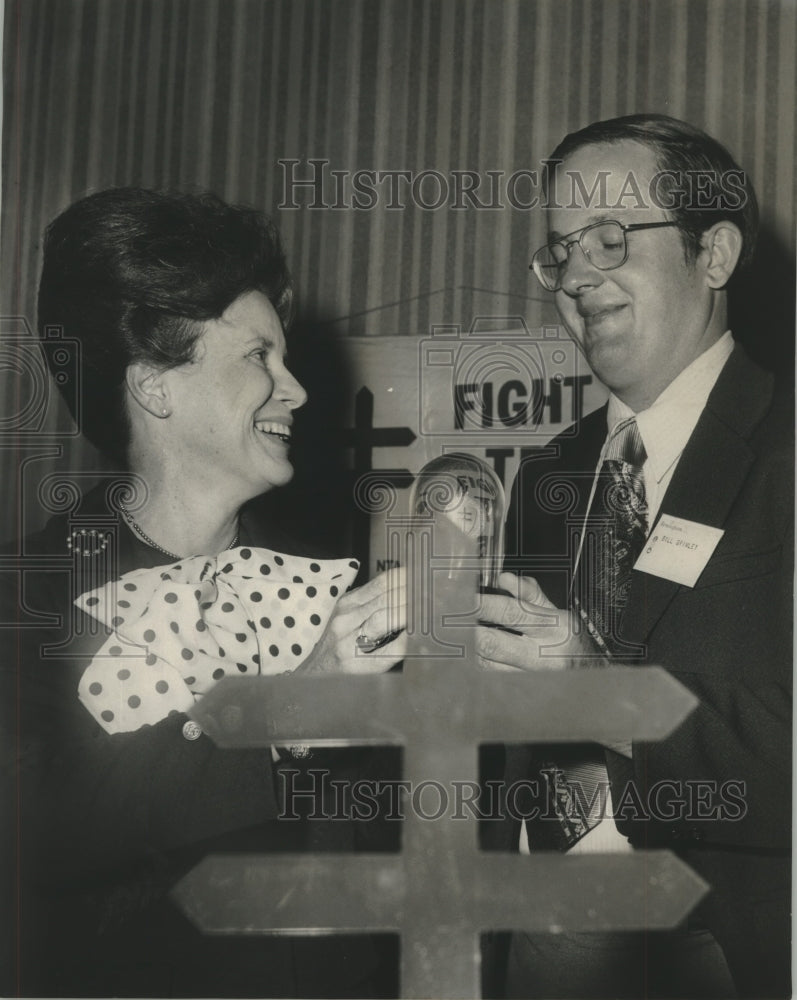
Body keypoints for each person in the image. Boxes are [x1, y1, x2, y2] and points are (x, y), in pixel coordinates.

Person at [1, 187, 405, 997]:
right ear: (155, 385)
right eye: (259, 356)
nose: (294, 390)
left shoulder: (334, 600)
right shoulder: (25, 600)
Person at [478, 115, 792, 998]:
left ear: (714, 254)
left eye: (611, 236)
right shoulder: (549, 471)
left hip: (728, 949)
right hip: (542, 940)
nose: (577, 274)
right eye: (560, 250)